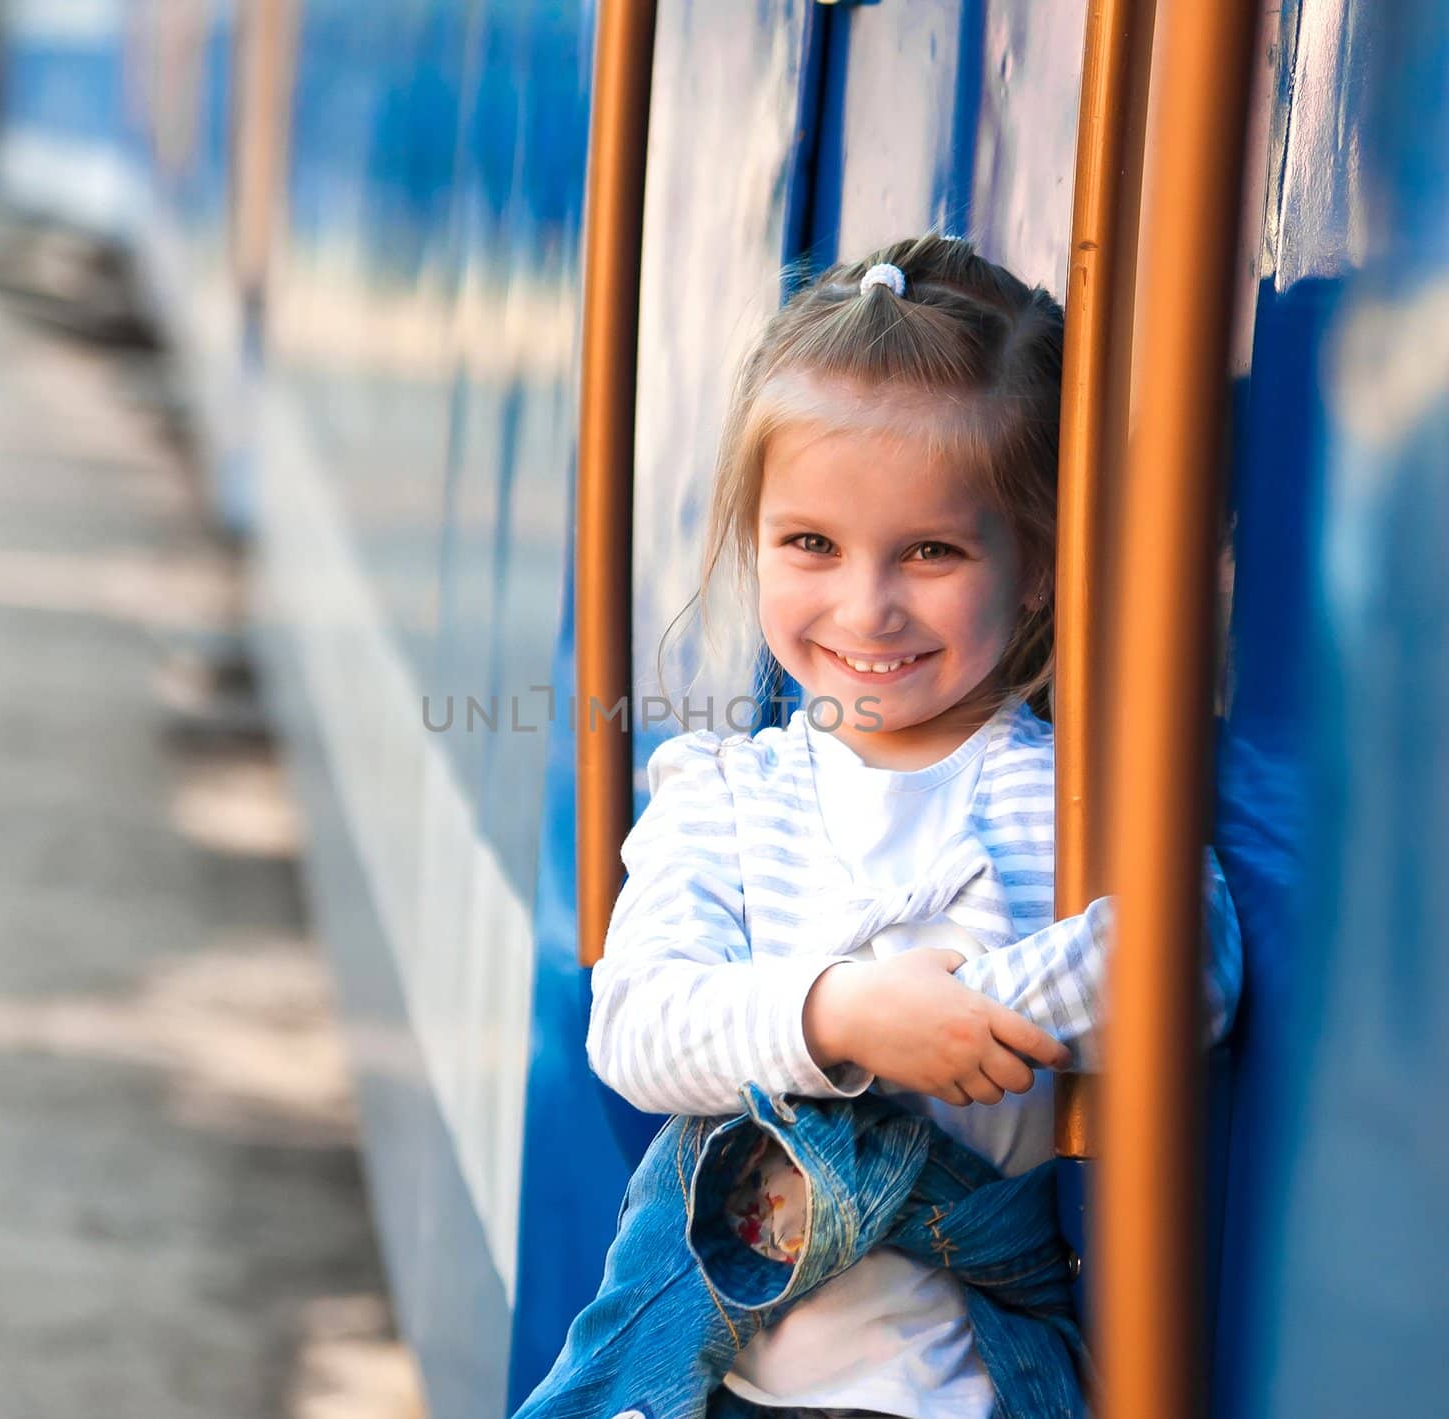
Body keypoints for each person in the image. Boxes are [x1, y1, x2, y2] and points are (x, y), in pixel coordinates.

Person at [515, 235, 1243, 1419]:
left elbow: (1185, 957)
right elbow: (638, 1022)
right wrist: (846, 1016)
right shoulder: (725, 794)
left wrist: (964, 1014)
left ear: (1040, 567)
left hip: (962, 1392)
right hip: (721, 1390)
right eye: (811, 545)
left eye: (932, 551)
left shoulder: (1059, 791)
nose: (868, 605)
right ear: (757, 541)